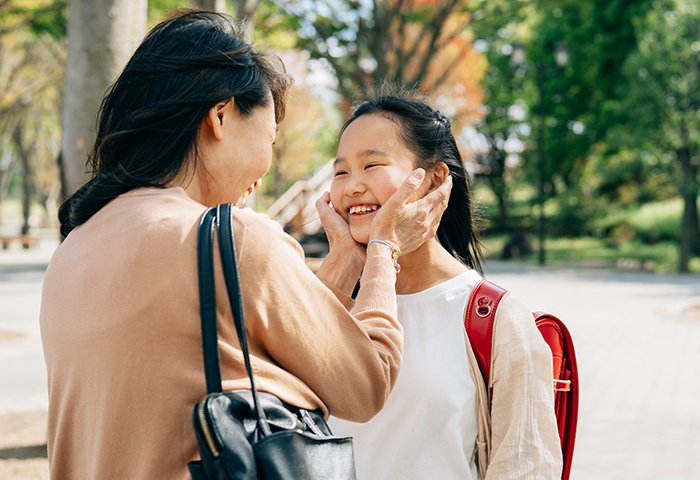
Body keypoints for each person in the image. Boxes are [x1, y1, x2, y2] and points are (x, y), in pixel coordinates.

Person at [39, 11, 452, 480]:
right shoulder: (232, 241)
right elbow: (366, 384)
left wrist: (338, 268)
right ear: (221, 116)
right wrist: (384, 248)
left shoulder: (73, 249)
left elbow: (245, 347)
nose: (264, 170)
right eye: (269, 135)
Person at [323, 91, 563, 479]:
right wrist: (338, 270)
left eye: (371, 165)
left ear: (434, 180)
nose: (351, 187)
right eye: (340, 172)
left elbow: (526, 467)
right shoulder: (326, 300)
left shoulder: (497, 321)